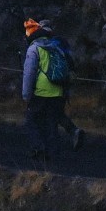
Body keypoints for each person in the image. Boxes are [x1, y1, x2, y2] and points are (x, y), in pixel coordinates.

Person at [20, 18, 74, 162]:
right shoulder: (56, 46)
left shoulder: (34, 48)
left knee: (31, 121)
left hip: (41, 92)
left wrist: (26, 95)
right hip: (58, 91)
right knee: (51, 123)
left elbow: (29, 73)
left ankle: (38, 149)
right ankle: (53, 156)